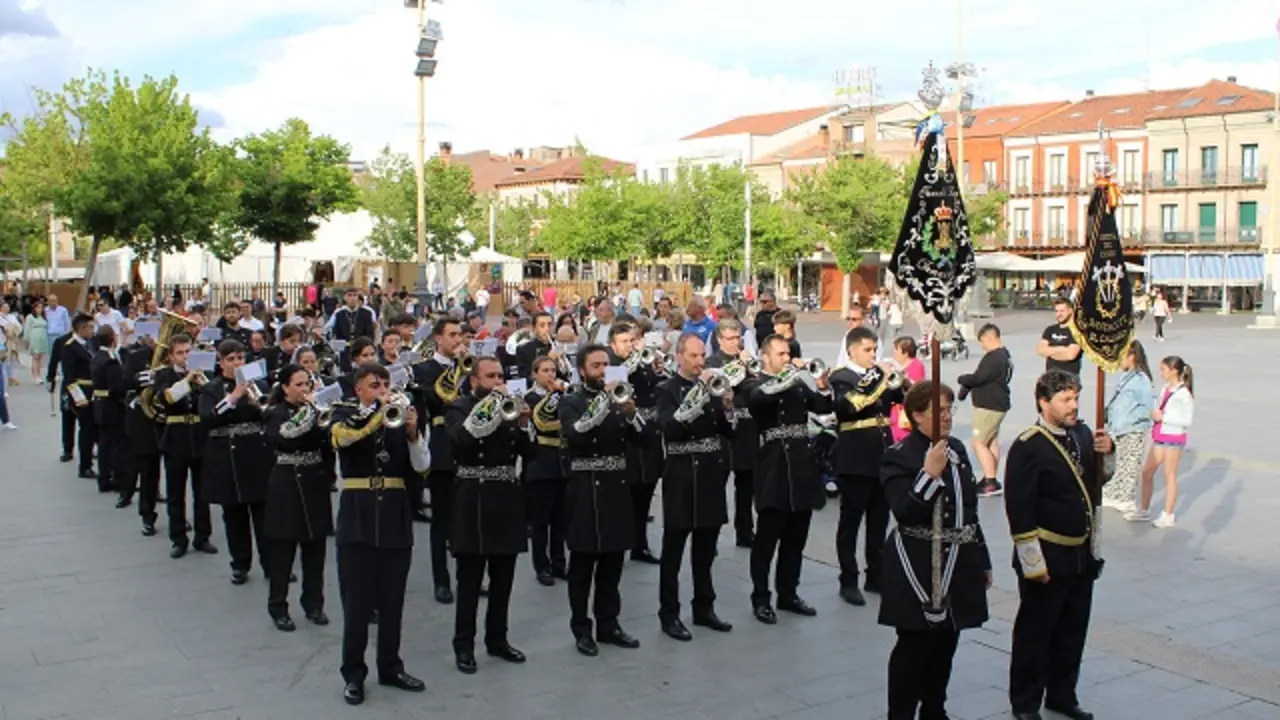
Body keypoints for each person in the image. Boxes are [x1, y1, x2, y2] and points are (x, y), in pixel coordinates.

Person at [1004, 369, 1114, 720]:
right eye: (1065, 399)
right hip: (1048, 556)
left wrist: (1106, 452)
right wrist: (1033, 564)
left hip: (1080, 554)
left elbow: (1097, 481)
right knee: (1036, 634)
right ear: (1043, 401)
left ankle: (1062, 694)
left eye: (1075, 398)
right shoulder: (1027, 446)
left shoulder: (1083, 433)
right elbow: (1018, 510)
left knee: (1072, 631)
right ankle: (1025, 703)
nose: (1073, 406)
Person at [879, 380, 991, 720]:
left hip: (957, 563)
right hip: (916, 564)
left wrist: (982, 558)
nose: (946, 416)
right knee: (913, 649)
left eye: (948, 409)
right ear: (916, 415)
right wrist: (928, 475)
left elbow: (968, 508)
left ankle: (934, 710)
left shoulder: (955, 449)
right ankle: (900, 714)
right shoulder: (898, 456)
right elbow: (904, 510)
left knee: (946, 646)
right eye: (938, 411)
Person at [330, 363, 430, 705]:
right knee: (356, 604)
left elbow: (421, 466)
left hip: (394, 515)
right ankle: (353, 674)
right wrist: (376, 413)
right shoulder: (343, 414)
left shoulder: (400, 418)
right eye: (375, 385)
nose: (384, 390)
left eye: (386, 384)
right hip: (357, 514)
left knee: (392, 601)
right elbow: (342, 439)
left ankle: (391, 667)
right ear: (359, 389)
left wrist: (414, 433)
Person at [558, 343, 647, 656]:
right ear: (582, 370)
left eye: (606, 365)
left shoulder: (618, 397)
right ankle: (581, 628)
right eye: (596, 365)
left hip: (616, 487)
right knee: (582, 565)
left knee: (612, 563)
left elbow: (643, 437)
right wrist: (603, 406)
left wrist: (632, 413)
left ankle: (609, 624)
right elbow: (576, 435)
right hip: (584, 488)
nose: (602, 371)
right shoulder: (570, 401)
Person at [444, 356, 531, 674]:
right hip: (473, 496)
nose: (497, 381)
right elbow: (462, 441)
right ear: (474, 382)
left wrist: (523, 424)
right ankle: (464, 645)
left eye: (499, 375)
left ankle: (498, 639)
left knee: (503, 577)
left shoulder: (509, 406)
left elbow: (530, 454)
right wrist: (490, 410)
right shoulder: (460, 408)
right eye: (490, 376)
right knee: (469, 579)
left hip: (506, 496)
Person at [654, 333, 735, 641]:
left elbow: (729, 431)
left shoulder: (712, 388)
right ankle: (669, 613)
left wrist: (727, 405)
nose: (700, 362)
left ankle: (704, 607)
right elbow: (671, 430)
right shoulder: (666, 390)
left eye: (702, 356)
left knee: (705, 550)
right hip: (681, 475)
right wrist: (697, 400)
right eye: (693, 356)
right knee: (673, 551)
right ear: (679, 356)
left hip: (711, 475)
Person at [747, 334, 832, 623]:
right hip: (773, 466)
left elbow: (821, 407)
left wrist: (821, 384)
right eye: (781, 354)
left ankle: (788, 593)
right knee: (767, 538)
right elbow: (758, 399)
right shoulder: (755, 382)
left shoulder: (797, 385)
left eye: (788, 353)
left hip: (801, 466)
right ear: (766, 357)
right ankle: (761, 597)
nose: (786, 358)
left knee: (796, 537)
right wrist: (790, 376)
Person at [828, 326, 903, 607]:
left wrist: (900, 382)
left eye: (875, 350)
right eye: (867, 350)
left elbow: (898, 401)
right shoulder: (841, 377)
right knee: (851, 523)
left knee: (879, 522)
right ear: (852, 350)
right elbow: (849, 407)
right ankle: (848, 579)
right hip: (855, 458)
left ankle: (876, 574)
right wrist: (878, 377)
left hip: (881, 458)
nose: (873, 355)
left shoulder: (880, 377)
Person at [263, 365, 334, 630]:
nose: (305, 390)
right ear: (285, 388)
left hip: (314, 480)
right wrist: (309, 413)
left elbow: (324, 442)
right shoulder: (275, 413)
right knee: (283, 550)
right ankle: (278, 606)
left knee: (315, 548)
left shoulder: (317, 413)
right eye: (299, 384)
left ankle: (314, 604)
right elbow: (283, 439)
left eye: (307, 384)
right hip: (286, 482)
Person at [199, 339, 272, 585]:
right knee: (234, 515)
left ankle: (271, 563)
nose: (237, 363)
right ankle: (240, 564)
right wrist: (233, 398)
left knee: (263, 515)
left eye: (240, 358)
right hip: (226, 456)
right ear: (221, 363)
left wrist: (259, 405)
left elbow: (272, 416)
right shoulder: (212, 388)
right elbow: (207, 420)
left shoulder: (259, 385)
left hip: (256, 455)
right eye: (231, 359)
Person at [416, 316, 468, 601]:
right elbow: (440, 399)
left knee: (466, 519)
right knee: (442, 520)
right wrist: (458, 370)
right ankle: (441, 580)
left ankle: (467, 576)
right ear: (438, 338)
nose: (457, 339)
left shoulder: (469, 366)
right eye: (451, 334)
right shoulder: (425, 368)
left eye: (459, 334)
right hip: (442, 443)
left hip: (469, 444)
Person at [153, 333, 218, 559]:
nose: (185, 357)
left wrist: (202, 382)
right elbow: (166, 398)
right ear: (171, 357)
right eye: (180, 353)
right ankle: (178, 538)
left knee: (202, 492)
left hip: (199, 437)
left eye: (188, 352)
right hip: (176, 438)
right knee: (175, 492)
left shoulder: (205, 375)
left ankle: (203, 537)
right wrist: (187, 381)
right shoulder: (163, 375)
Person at [606, 322, 663, 565]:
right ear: (613, 344)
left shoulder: (643, 360)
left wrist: (654, 366)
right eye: (624, 342)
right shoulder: (611, 366)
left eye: (632, 341)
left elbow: (653, 386)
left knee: (646, 491)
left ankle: (640, 544)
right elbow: (618, 391)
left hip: (648, 431)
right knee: (625, 493)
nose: (630, 346)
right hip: (626, 435)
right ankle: (619, 541)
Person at [704, 319, 758, 547]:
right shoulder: (711, 362)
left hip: (747, 428)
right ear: (719, 339)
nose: (734, 343)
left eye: (737, 338)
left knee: (747, 487)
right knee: (716, 487)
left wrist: (750, 366)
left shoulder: (747, 360)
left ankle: (745, 532)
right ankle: (709, 538)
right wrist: (736, 370)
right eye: (729, 338)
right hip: (723, 430)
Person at [1129, 355, 1194, 528]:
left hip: (1173, 437)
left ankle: (1168, 514)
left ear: (1174, 371)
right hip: (1160, 435)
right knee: (1147, 471)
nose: (1161, 373)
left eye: (1164, 369)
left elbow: (1186, 420)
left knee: (1169, 474)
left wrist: (1164, 418)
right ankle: (1144, 508)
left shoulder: (1184, 394)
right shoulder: (1166, 388)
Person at [523, 357, 569, 586]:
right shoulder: (531, 398)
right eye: (545, 371)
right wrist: (555, 395)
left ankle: (559, 563)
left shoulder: (562, 396)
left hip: (561, 461)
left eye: (553, 370)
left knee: (560, 519)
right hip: (540, 460)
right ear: (535, 374)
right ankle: (542, 565)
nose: (550, 375)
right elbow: (541, 422)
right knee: (541, 520)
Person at [957, 323, 1013, 497]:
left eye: (983, 342)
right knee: (991, 442)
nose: (982, 346)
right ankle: (991, 476)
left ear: (990, 338)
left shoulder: (994, 357)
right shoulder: (1005, 356)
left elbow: (979, 377)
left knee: (978, 442)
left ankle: (990, 480)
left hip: (988, 405)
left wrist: (963, 379)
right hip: (999, 403)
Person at [1101, 342, 1153, 513]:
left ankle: (1126, 498)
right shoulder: (1125, 376)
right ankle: (1115, 493)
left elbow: (1148, 405)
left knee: (1130, 463)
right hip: (1119, 427)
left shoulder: (1141, 379)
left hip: (1133, 427)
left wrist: (1133, 418)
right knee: (1120, 462)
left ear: (1132, 356)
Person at [122, 333, 164, 533]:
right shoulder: (137, 357)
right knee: (148, 470)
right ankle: (147, 515)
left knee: (176, 475)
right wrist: (143, 378)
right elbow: (125, 382)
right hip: (146, 419)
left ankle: (178, 516)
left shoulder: (176, 356)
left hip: (171, 419)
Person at [59, 314, 99, 479]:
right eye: (90, 327)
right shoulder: (70, 347)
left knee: (92, 430)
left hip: (94, 391)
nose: (92, 330)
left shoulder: (90, 344)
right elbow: (69, 376)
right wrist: (78, 398)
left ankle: (89, 461)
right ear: (81, 328)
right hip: (82, 393)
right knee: (87, 430)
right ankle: (85, 466)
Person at [89, 325, 127, 495]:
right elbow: (117, 386)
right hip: (112, 406)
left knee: (104, 443)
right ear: (112, 339)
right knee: (115, 444)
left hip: (100, 405)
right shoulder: (110, 360)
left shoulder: (97, 356)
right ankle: (115, 478)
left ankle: (104, 478)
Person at [888, 336, 927, 443]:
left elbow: (917, 388)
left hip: (905, 411)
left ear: (905, 352)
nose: (894, 353)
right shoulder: (896, 365)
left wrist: (905, 379)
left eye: (896, 350)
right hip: (894, 410)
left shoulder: (916, 365)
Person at [1037, 298, 1082, 377]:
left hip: (1069, 378)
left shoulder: (1077, 331)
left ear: (1070, 311)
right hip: (1050, 377)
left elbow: (1071, 355)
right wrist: (1061, 349)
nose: (1059, 314)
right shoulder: (1050, 330)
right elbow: (1041, 350)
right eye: (1056, 311)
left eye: (1062, 311)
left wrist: (1050, 352)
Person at [24, 300, 49, 382]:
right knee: (36, 357)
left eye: (41, 307)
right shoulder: (30, 317)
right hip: (34, 337)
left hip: (43, 337)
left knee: (41, 357)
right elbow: (27, 329)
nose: (40, 309)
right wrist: (26, 340)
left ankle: (39, 374)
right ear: (34, 308)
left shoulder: (43, 317)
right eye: (38, 307)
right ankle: (35, 376)